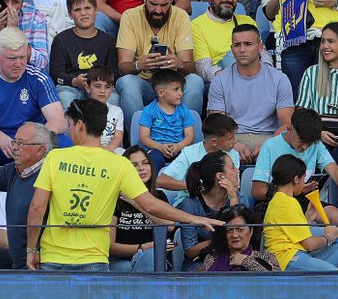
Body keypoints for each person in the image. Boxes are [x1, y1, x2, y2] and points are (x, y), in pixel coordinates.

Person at [27, 97, 213, 271]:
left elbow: (37, 207)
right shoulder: (119, 163)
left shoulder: (55, 157)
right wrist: (193, 218)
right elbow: (150, 204)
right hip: (94, 258)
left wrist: (32, 250)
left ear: (80, 125)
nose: (69, 130)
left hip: (54, 256)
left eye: (70, 125)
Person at [0, 28, 66, 170]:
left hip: (31, 140)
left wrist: (30, 140)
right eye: (12, 58)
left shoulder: (38, 77)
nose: (18, 64)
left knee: (64, 142)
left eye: (22, 57)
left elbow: (59, 121)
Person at [114, 0, 202, 131]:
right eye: (153, 4)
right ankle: (138, 143)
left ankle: (184, 138)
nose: (158, 10)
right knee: (127, 82)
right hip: (143, 83)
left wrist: (177, 63)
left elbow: (190, 67)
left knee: (195, 81)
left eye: (164, 5)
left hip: (172, 84)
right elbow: (122, 67)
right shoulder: (130, 16)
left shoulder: (180, 16)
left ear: (171, 1)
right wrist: (139, 64)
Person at [262, 153, 338, 272]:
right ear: (296, 179)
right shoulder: (287, 202)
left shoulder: (279, 200)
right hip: (289, 260)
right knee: (335, 275)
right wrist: (329, 237)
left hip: (299, 256)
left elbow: (294, 235)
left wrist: (308, 218)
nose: (304, 182)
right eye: (303, 178)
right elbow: (310, 245)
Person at [0, 123, 52, 270]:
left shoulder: (52, 174)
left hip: (42, 265)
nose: (14, 147)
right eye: (14, 141)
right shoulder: (13, 171)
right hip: (19, 264)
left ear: (40, 150)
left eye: (21, 143)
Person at [207, 25, 295, 164]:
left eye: (248, 44)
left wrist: (270, 144)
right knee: (212, 148)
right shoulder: (220, 80)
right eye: (237, 45)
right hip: (232, 138)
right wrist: (233, 144)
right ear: (232, 49)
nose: (242, 50)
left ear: (260, 47)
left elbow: (287, 124)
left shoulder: (279, 79)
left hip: (268, 136)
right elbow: (215, 123)